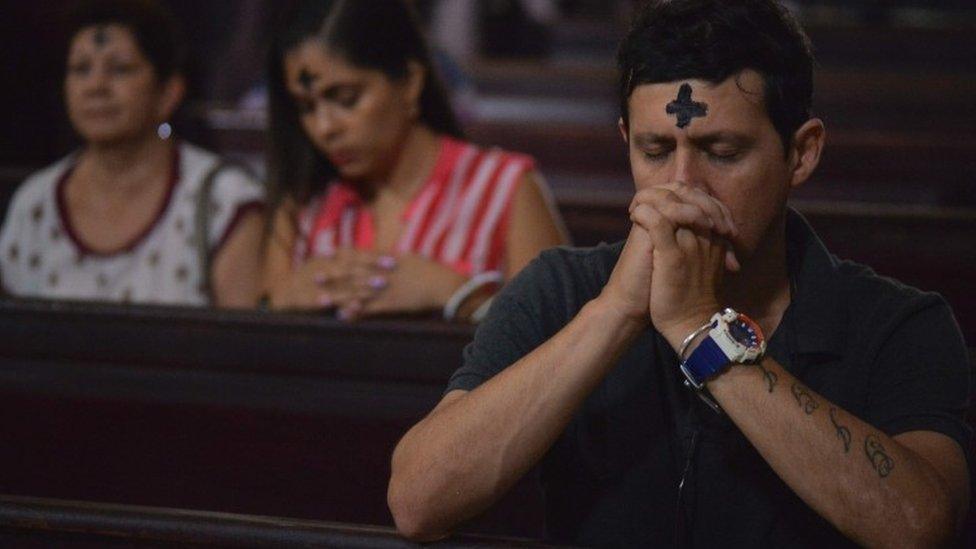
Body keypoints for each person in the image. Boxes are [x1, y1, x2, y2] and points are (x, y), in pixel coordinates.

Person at [387, 0, 972, 546]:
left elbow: (918, 526)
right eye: (655, 150)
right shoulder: (562, 290)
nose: (682, 187)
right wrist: (615, 314)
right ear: (625, 142)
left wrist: (701, 331)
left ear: (802, 152)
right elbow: (418, 502)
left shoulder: (899, 321)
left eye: (723, 152)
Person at [262, 0, 567, 321]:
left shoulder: (504, 188)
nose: (324, 128)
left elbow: (563, 343)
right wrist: (283, 301)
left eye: (346, 99)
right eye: (306, 108)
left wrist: (460, 296)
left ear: (410, 82)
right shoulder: (303, 202)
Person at [0, 0, 265, 308]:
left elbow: (244, 349)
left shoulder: (223, 201)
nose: (96, 86)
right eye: (80, 69)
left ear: (169, 92)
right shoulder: (35, 203)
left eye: (120, 69)